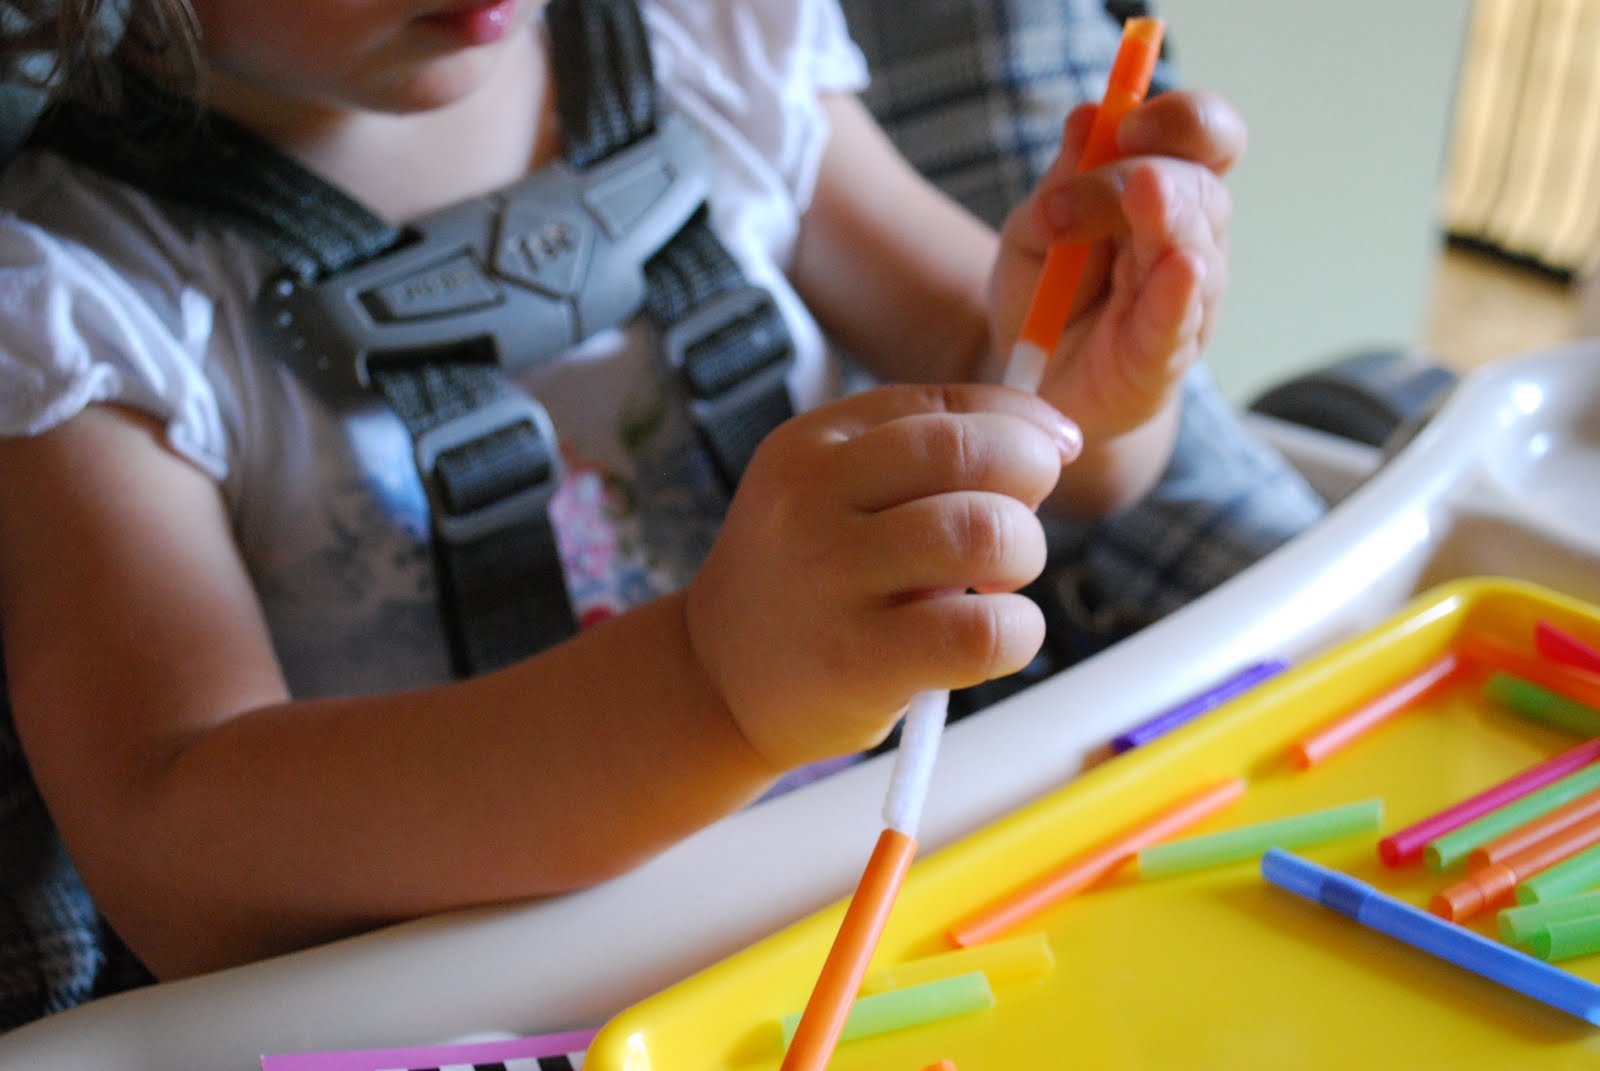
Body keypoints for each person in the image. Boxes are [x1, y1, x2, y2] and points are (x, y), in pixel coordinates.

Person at [0, 0, 1249, 1028]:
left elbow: (1060, 461)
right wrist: (712, 687)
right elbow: (176, 848)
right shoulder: (74, 302)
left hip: (933, 893)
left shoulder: (713, 46)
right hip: (507, 1017)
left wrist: (1085, 376)